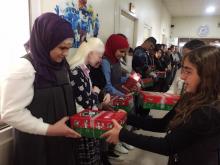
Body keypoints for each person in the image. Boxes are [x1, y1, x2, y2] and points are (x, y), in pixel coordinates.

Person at [102, 45, 220, 165]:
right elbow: (163, 124)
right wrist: (127, 117)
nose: (182, 77)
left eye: (188, 72)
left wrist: (123, 135)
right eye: (183, 70)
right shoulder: (190, 97)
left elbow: (168, 146)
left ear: (207, 76)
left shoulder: (208, 111)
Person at [0, 13, 81, 165]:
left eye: (68, 48)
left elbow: (65, 97)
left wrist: (83, 113)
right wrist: (49, 129)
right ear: (45, 42)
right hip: (37, 147)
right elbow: (10, 113)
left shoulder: (61, 65)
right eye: (61, 48)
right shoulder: (24, 68)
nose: (66, 54)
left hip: (62, 143)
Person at [67, 37, 111, 165]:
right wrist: (96, 93)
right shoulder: (76, 72)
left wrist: (96, 94)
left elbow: (89, 95)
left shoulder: (85, 70)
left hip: (88, 119)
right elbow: (86, 102)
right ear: (90, 52)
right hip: (83, 122)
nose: (100, 59)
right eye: (99, 55)